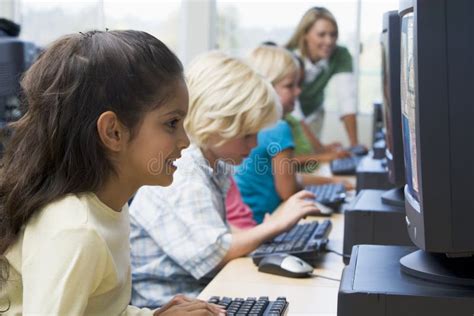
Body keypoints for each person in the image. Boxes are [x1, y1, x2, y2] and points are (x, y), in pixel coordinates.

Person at [0, 30, 224, 316]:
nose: (185, 141)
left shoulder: (107, 206)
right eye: (172, 123)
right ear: (113, 132)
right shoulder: (75, 230)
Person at [129, 51, 320, 308]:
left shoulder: (215, 165)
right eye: (247, 135)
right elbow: (214, 253)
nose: (254, 145)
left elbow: (219, 234)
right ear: (216, 123)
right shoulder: (184, 174)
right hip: (169, 305)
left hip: (199, 293)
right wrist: (275, 225)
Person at [234, 45, 353, 224]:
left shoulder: (252, 125)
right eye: (290, 86)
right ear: (266, 89)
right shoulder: (278, 128)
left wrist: (332, 181)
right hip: (260, 223)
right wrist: (329, 187)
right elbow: (288, 191)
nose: (298, 91)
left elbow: (288, 177)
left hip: (246, 223)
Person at [286, 6, 361, 147]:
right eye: (322, 34)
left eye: (333, 34)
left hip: (314, 113)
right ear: (305, 34)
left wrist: (354, 146)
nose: (329, 41)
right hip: (288, 116)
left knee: (312, 162)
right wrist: (321, 150)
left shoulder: (341, 55)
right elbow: (294, 112)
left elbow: (347, 101)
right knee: (298, 155)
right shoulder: (288, 57)